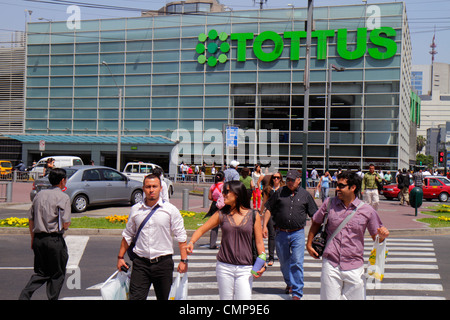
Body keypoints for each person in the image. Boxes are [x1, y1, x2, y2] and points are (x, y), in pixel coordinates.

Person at [307, 170, 390, 300]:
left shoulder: (367, 210)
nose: (337, 188)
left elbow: (377, 238)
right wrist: (309, 244)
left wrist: (382, 236)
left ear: (353, 188)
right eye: (337, 185)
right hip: (331, 263)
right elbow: (316, 222)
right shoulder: (329, 203)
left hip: (354, 266)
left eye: (341, 186)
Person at [186, 181, 266, 300]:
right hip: (224, 267)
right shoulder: (222, 214)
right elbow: (202, 229)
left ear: (237, 194)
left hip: (245, 269)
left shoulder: (254, 215)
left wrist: (262, 263)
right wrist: (191, 242)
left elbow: (259, 242)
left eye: (226, 192)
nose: (223, 194)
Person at [117, 174, 188, 300]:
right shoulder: (135, 209)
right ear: (143, 188)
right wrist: (120, 257)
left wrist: (184, 260)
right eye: (148, 186)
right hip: (140, 264)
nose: (151, 190)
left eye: (154, 186)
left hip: (163, 264)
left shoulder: (170, 210)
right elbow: (128, 235)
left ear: (161, 188)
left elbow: (181, 236)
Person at [263, 169, 318, 300]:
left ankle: (297, 292)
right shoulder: (279, 193)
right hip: (280, 233)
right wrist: (264, 225)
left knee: (297, 262)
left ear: (299, 180)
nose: (289, 182)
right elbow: (269, 209)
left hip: (298, 233)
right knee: (284, 262)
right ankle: (290, 283)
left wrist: (317, 233)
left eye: (292, 180)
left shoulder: (305, 195)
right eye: (287, 179)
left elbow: (314, 215)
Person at [19, 168, 71, 300]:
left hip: (38, 239)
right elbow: (65, 223)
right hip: (54, 240)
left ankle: (25, 295)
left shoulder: (39, 195)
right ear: (62, 181)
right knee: (57, 273)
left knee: (41, 272)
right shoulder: (63, 197)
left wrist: (33, 238)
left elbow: (30, 218)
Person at [261, 172, 285, 266]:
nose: (276, 179)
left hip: (280, 213)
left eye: (278, 178)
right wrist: (261, 212)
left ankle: (280, 254)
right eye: (274, 177)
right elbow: (265, 201)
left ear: (280, 179)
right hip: (270, 213)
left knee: (280, 234)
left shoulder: (283, 189)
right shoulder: (268, 189)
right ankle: (271, 257)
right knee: (272, 234)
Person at [204, 171, 225, 249]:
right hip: (223, 206)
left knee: (214, 225)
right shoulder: (224, 186)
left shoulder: (213, 186)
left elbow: (210, 197)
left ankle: (212, 244)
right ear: (224, 178)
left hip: (214, 205)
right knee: (224, 225)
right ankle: (225, 244)